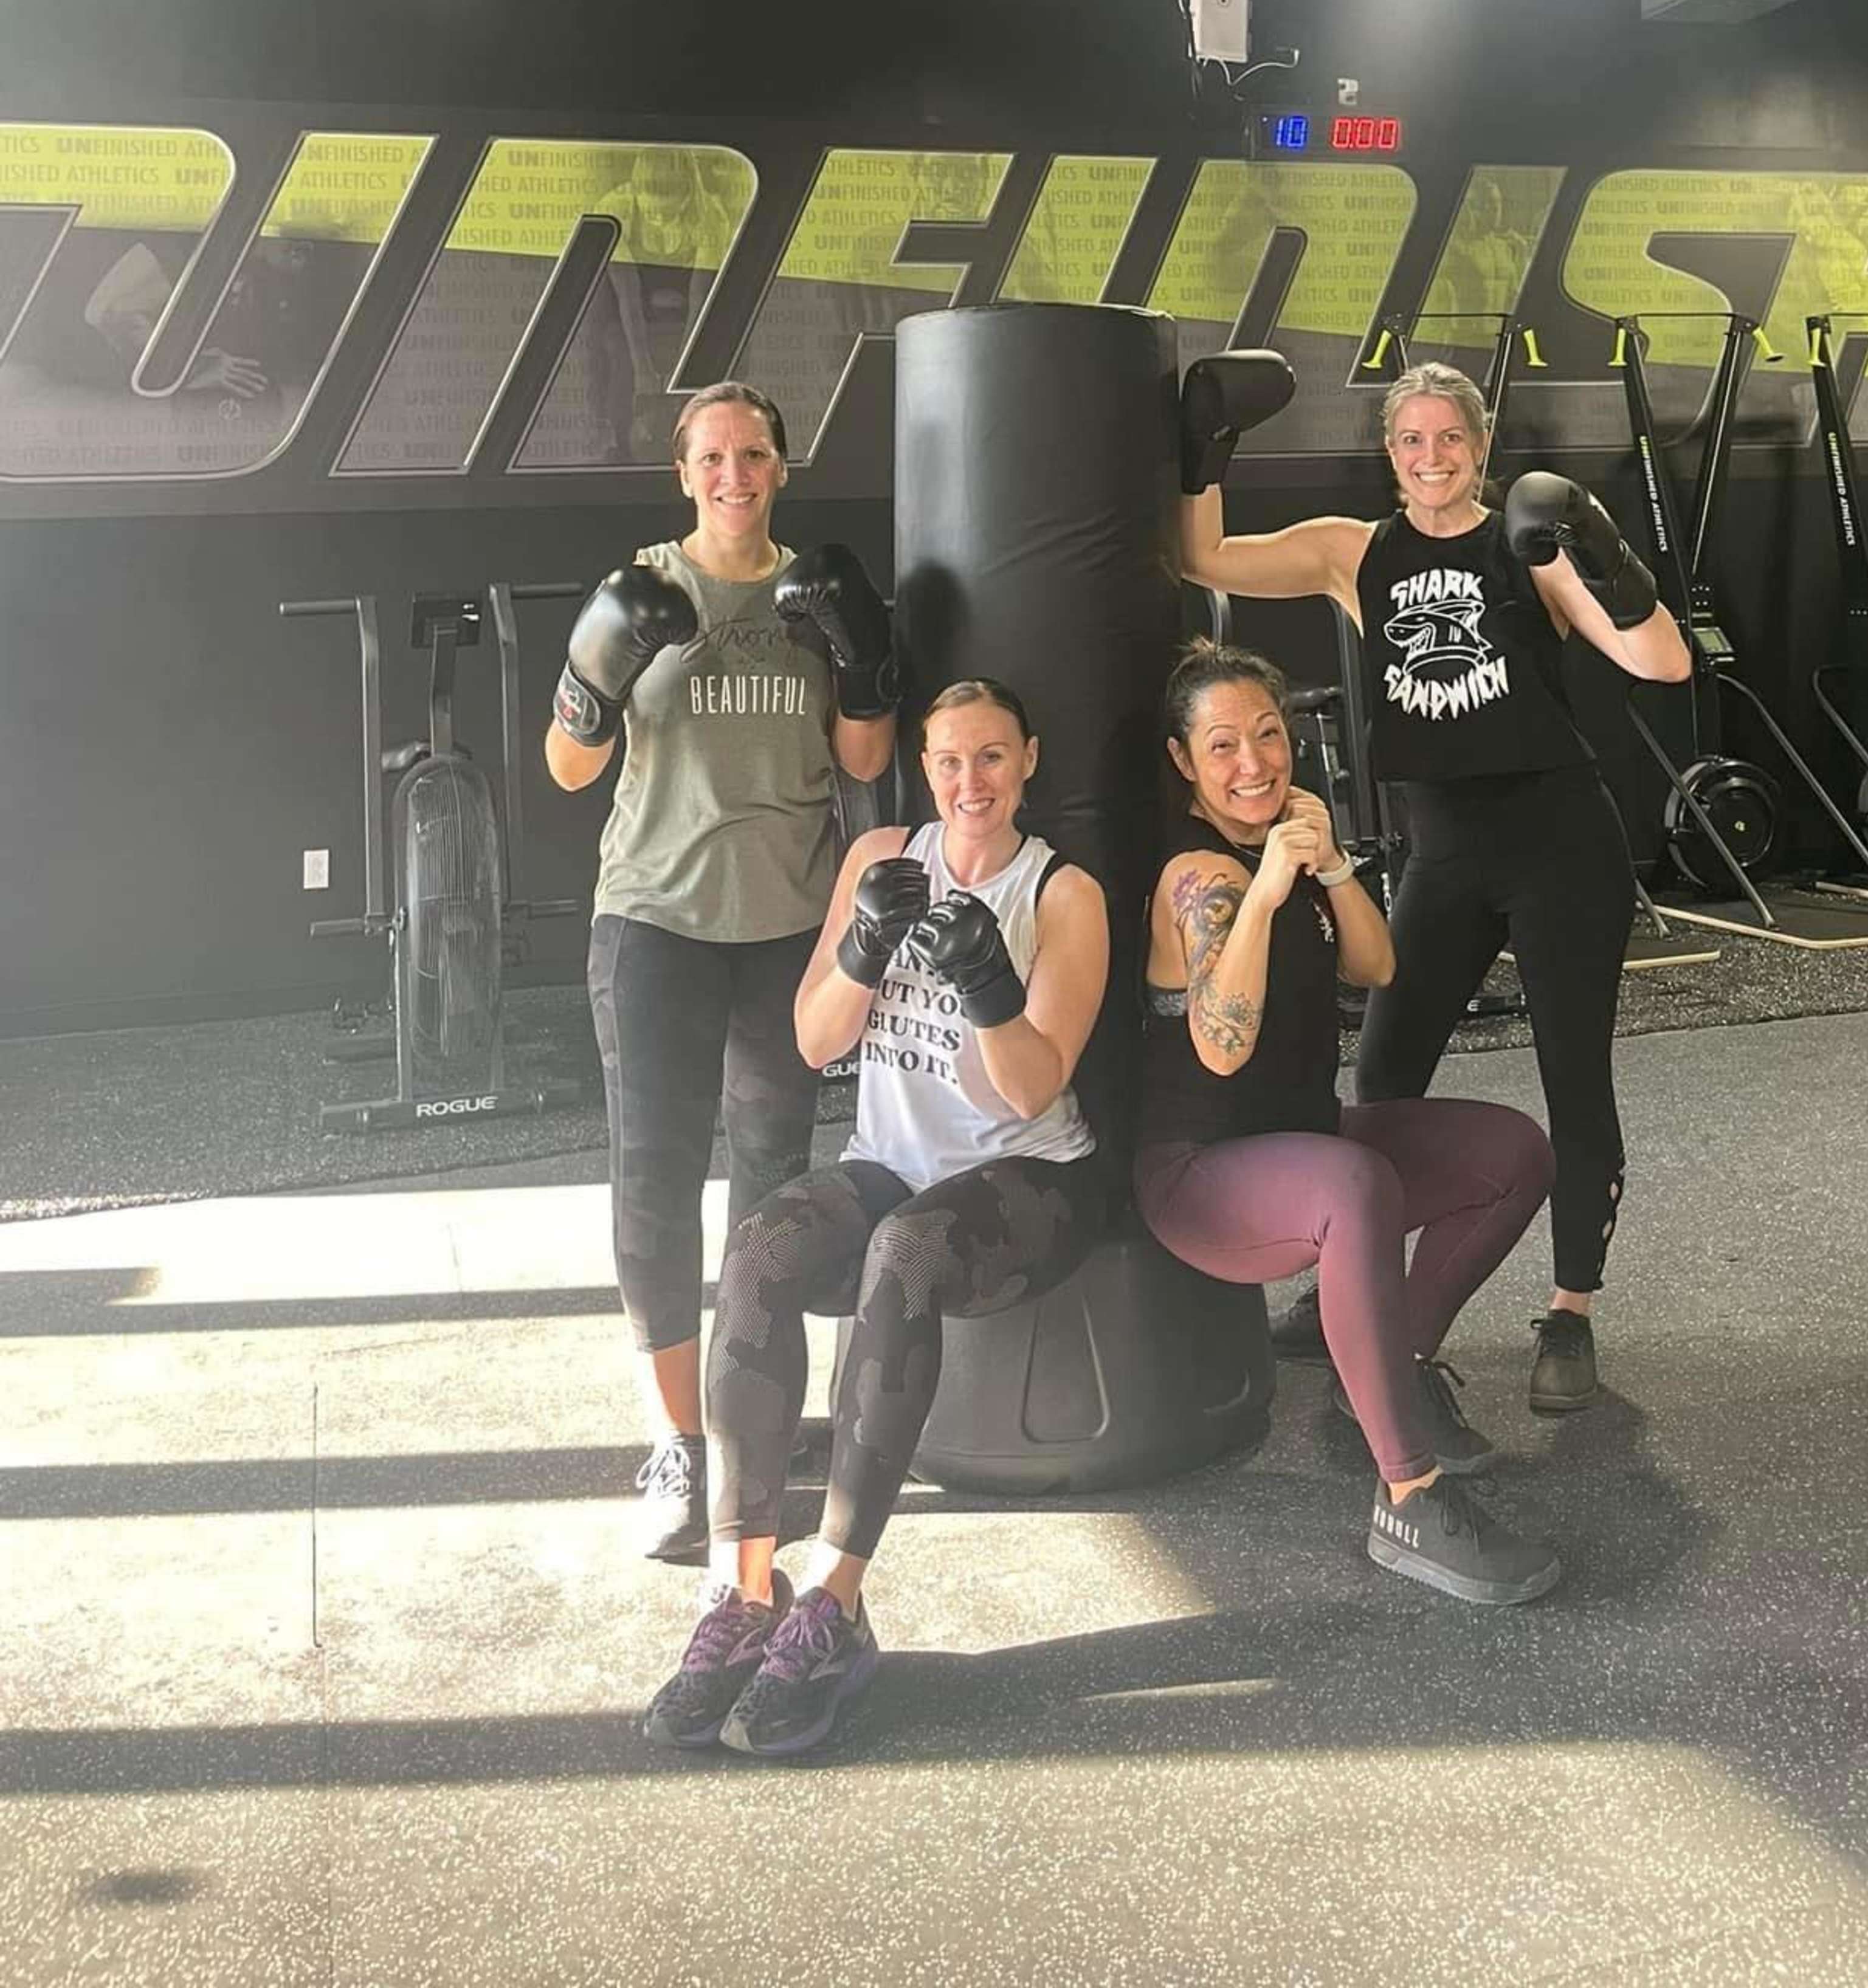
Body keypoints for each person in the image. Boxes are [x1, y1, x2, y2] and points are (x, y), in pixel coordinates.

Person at [1176, 353, 1691, 1414]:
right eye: (1410, 440)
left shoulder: (1526, 548)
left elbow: (1663, 665)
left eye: (1449, 438)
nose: (1430, 457)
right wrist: (1206, 443)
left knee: (1573, 1078)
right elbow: (1202, 555)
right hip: (1443, 849)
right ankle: (1364, 1283)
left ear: (1481, 447)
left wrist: (1594, 538)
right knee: (1384, 1068)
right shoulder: (1352, 553)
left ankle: (1570, 1313)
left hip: (1560, 842)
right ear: (1389, 454)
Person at [642, 678, 1109, 1758]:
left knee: (906, 1254)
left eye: (991, 758)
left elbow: (1033, 1089)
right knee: (760, 1244)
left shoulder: (1063, 893)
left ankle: (836, 1604)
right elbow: (814, 1042)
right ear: (926, 770)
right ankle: (742, 1593)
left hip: (1028, 1178)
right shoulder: (881, 860)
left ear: (1027, 761)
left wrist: (990, 985)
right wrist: (860, 949)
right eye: (949, 762)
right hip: (891, 1162)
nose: (969, 783)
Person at [545, 380, 897, 1563]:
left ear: (781, 466)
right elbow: (566, 768)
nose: (734, 473)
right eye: (712, 457)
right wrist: (596, 675)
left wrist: (857, 655)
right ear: (684, 473)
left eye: (754, 453)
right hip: (651, 924)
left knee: (768, 1182)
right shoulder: (642, 588)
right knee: (651, 1179)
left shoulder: (810, 594)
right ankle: (675, 1444)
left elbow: (862, 757)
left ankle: (750, 1423)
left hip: (783, 929)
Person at [1134, 638, 1565, 1606]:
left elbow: (1375, 968)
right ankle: (1408, 1495)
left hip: (1304, 1136)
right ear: (1183, 763)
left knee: (1512, 1153)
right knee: (1352, 1182)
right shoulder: (1196, 880)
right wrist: (1264, 897)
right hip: (1198, 1175)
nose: (1253, 764)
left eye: (1268, 735)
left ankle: (1391, 1371)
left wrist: (1330, 867)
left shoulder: (1290, 841)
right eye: (1222, 747)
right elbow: (1220, 1047)